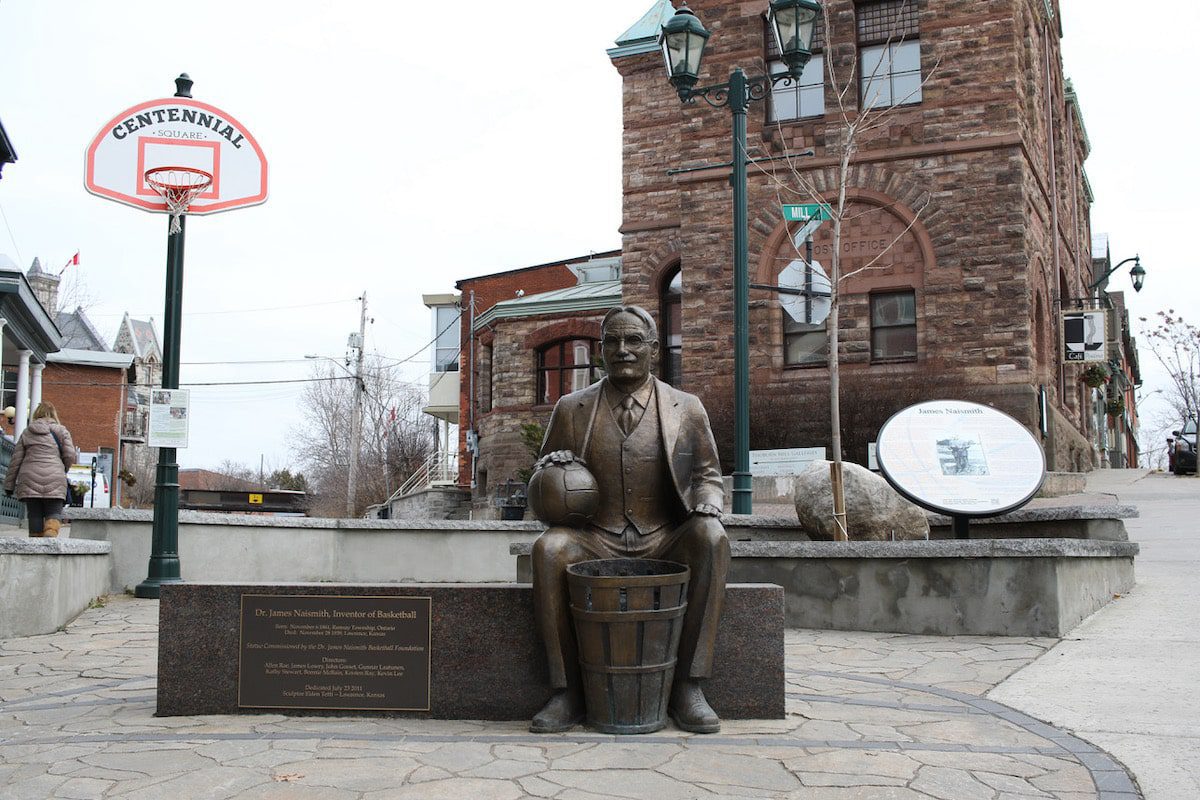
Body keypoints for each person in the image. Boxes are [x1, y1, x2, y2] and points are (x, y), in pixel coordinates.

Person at [529, 305, 730, 734]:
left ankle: (688, 687)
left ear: (653, 349)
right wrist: (552, 469)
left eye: (633, 340)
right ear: (601, 350)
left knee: (711, 538)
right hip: (595, 537)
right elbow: (539, 478)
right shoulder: (571, 408)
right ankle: (568, 692)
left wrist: (709, 502)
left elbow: (708, 475)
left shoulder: (687, 408)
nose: (622, 350)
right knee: (549, 549)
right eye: (612, 341)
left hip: (663, 536)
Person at [3, 402, 75, 537]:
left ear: (37, 414)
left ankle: (35, 543)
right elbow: (70, 455)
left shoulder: (27, 432)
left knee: (34, 513)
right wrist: (63, 467)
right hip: (55, 476)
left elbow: (15, 460)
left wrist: (9, 485)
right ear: (54, 414)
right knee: (54, 511)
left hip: (29, 477)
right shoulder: (61, 431)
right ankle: (50, 534)